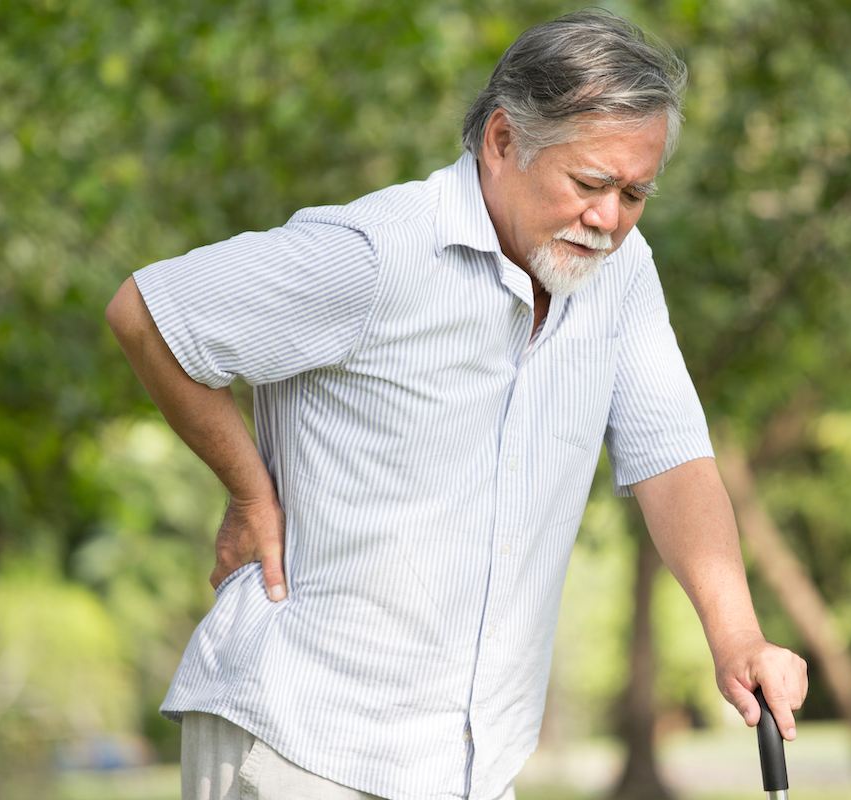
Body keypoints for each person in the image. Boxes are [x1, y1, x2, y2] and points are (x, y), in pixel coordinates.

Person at [106, 10, 807, 800]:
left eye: (635, 192)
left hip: (467, 768)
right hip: (303, 741)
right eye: (589, 184)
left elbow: (673, 458)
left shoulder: (623, 272)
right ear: (502, 141)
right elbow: (151, 312)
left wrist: (737, 635)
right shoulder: (377, 254)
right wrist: (248, 489)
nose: (609, 218)